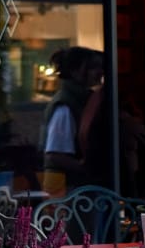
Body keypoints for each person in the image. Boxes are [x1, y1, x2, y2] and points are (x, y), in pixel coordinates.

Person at [41, 48, 103, 192]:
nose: (100, 71)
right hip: (66, 189)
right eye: (93, 67)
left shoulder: (82, 100)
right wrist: (89, 168)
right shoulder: (65, 105)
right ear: (74, 72)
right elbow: (55, 154)